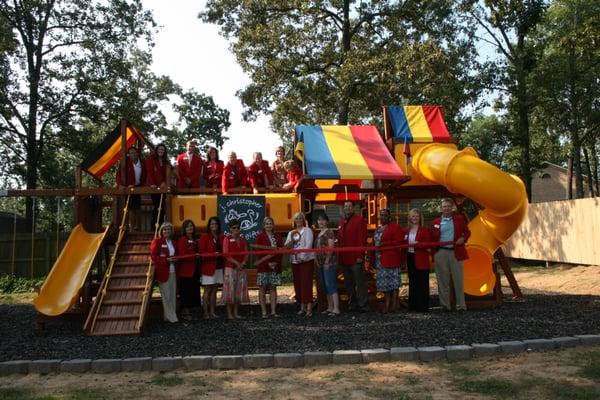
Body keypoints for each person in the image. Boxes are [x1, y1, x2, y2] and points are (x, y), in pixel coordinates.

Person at [430, 198, 471, 311]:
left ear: (452, 207)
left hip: (456, 252)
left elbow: (467, 232)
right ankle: (445, 305)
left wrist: (463, 238)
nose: (446, 208)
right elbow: (431, 238)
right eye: (444, 206)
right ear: (441, 208)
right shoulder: (435, 222)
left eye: (448, 206)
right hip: (441, 253)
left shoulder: (459, 219)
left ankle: (461, 306)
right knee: (442, 280)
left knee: (458, 280)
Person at [337, 201, 369, 311]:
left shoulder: (359, 220)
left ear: (353, 208)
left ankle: (363, 304)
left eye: (349, 206)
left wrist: (360, 255)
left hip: (355, 257)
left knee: (359, 282)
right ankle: (352, 302)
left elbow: (362, 239)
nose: (347, 208)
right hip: (344, 258)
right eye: (345, 206)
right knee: (348, 283)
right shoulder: (341, 221)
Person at [285, 212, 315, 317]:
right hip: (295, 261)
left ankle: (309, 307)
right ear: (294, 220)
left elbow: (308, 246)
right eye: (296, 218)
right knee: (298, 284)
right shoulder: (291, 233)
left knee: (306, 283)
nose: (298, 220)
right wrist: (292, 241)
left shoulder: (308, 231)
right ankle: (302, 306)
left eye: (300, 218)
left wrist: (302, 257)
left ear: (303, 220)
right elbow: (287, 247)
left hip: (306, 261)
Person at [373, 208, 403, 313]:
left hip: (392, 258)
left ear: (389, 217)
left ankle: (394, 305)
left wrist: (383, 245)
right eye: (381, 215)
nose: (383, 217)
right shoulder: (377, 229)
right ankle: (387, 303)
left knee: (394, 283)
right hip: (380, 261)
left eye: (385, 215)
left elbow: (399, 241)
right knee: (385, 284)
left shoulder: (395, 227)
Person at [254, 216, 284, 318]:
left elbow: (281, 252)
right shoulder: (260, 237)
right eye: (266, 223)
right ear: (263, 225)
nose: (268, 225)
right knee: (262, 288)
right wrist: (267, 263)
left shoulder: (278, 237)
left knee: (273, 288)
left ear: (273, 225)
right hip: (263, 267)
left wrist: (275, 263)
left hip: (275, 267)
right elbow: (258, 252)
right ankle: (263, 312)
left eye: (270, 223)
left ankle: (273, 311)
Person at [404, 208, 432, 313]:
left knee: (423, 283)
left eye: (417, 216)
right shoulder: (406, 230)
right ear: (409, 218)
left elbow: (428, 244)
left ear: (420, 218)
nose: (415, 218)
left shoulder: (425, 230)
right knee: (413, 282)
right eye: (413, 216)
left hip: (421, 258)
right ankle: (413, 306)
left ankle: (423, 307)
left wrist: (419, 244)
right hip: (410, 257)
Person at [150, 222, 178, 323]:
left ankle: (168, 316)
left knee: (172, 294)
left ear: (171, 231)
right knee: (166, 295)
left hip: (173, 271)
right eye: (165, 229)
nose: (167, 231)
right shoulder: (157, 241)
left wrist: (175, 259)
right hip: (163, 271)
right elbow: (153, 256)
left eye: (169, 229)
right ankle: (172, 318)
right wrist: (166, 260)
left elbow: (177, 255)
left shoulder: (174, 242)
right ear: (161, 231)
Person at [222, 219, 250, 319]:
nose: (236, 229)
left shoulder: (243, 239)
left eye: (238, 227)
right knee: (229, 291)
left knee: (239, 291)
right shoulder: (227, 239)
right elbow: (226, 254)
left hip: (241, 268)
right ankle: (229, 314)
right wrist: (237, 263)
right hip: (230, 268)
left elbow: (246, 253)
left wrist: (243, 263)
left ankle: (236, 312)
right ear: (230, 229)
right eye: (234, 227)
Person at [314, 213, 340, 316]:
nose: (321, 222)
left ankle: (336, 308)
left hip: (329, 263)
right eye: (319, 220)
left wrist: (327, 261)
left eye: (323, 220)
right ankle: (330, 307)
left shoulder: (329, 232)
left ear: (327, 222)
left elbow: (331, 247)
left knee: (331, 285)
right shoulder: (319, 233)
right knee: (326, 286)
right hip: (320, 263)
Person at [198, 217, 224, 319]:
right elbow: (202, 252)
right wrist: (213, 254)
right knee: (207, 290)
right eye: (212, 224)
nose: (214, 226)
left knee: (215, 290)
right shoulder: (205, 237)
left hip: (218, 266)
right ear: (209, 226)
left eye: (216, 224)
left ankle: (212, 312)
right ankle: (205, 313)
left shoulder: (221, 237)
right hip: (208, 267)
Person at [116, 146, 146, 231]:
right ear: (128, 155)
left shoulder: (142, 163)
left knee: (138, 208)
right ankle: (131, 227)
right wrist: (120, 185)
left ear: (137, 154)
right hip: (128, 188)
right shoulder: (125, 162)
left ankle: (138, 228)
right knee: (131, 209)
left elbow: (146, 174)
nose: (133, 154)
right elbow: (118, 175)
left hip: (138, 187)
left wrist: (144, 185)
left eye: (134, 152)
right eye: (131, 153)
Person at [177, 220, 201, 320]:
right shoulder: (182, 239)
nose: (190, 228)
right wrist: (194, 254)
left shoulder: (196, 239)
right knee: (185, 291)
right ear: (184, 229)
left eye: (191, 226)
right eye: (187, 227)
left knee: (194, 290)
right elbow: (182, 254)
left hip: (195, 269)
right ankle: (185, 311)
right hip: (185, 270)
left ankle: (193, 310)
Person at [145, 143, 170, 227]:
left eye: (162, 150)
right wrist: (152, 184)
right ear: (156, 150)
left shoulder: (165, 161)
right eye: (159, 149)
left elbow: (167, 174)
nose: (161, 151)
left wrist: (164, 182)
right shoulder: (150, 159)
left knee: (162, 207)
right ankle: (154, 226)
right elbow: (150, 172)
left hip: (162, 187)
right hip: (153, 186)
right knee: (157, 206)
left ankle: (161, 226)